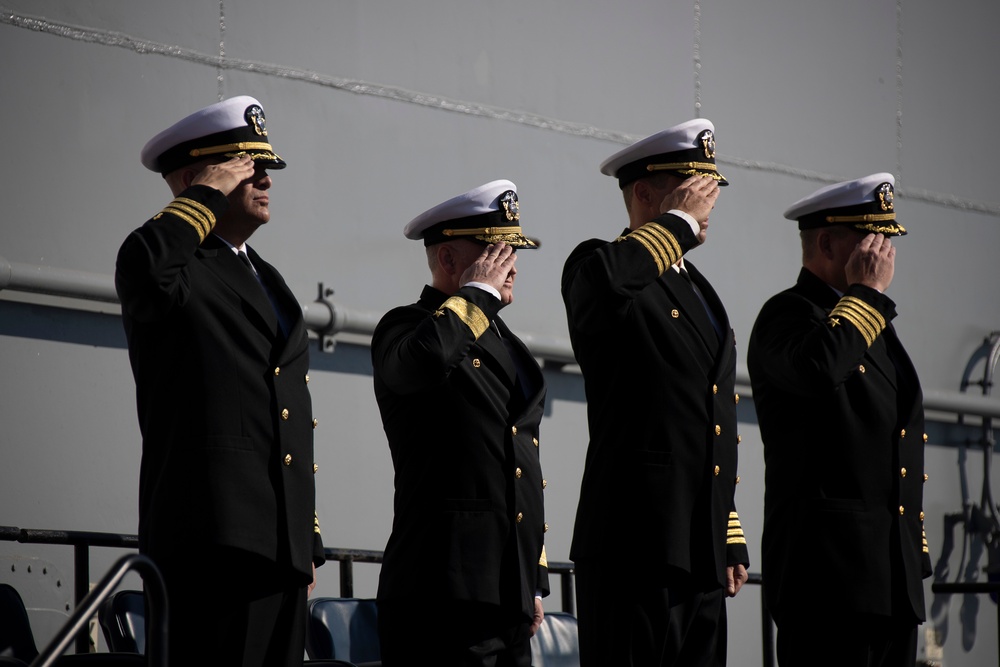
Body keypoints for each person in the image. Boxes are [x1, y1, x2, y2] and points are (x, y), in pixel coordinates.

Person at [115, 95, 324, 666]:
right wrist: (201, 195)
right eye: (246, 166)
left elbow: (285, 410)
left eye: (267, 167)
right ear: (195, 176)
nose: (265, 179)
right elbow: (148, 271)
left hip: (278, 546)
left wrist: (304, 540)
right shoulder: (168, 263)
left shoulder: (268, 279)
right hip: (213, 537)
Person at [562, 118, 750, 666]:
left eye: (709, 192)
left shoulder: (701, 292)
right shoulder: (599, 265)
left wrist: (727, 527)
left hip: (699, 547)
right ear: (645, 194)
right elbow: (603, 287)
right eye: (692, 190)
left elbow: (706, 418)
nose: (706, 204)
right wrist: (677, 224)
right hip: (635, 544)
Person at [747, 173, 931, 666]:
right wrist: (867, 294)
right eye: (871, 239)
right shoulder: (788, 315)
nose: (884, 253)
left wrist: (912, 553)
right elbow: (818, 370)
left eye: (888, 241)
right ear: (826, 242)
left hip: (892, 583)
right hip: (828, 584)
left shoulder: (870, 322)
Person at [371, 180, 548, 666]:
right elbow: (421, 363)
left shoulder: (508, 345)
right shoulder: (405, 327)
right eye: (494, 252)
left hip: (506, 595)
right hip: (442, 594)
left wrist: (531, 579)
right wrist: (477, 295)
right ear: (448, 260)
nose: (510, 265)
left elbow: (518, 462)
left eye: (513, 252)